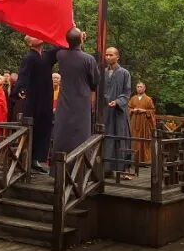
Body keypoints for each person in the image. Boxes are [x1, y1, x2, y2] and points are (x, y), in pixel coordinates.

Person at [50, 28, 98, 175]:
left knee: (62, 131)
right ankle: (80, 170)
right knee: (81, 133)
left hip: (65, 99)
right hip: (82, 100)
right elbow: (95, 81)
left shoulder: (61, 55)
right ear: (82, 40)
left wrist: (75, 38)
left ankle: (58, 169)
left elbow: (66, 47)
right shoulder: (88, 59)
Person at [15, 36, 57, 173]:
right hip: (33, 98)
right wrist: (21, 88)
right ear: (29, 43)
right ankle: (27, 158)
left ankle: (37, 159)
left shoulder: (47, 55)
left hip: (46, 97)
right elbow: (23, 74)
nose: (38, 37)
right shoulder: (29, 57)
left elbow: (61, 47)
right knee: (33, 126)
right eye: (33, 36)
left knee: (44, 126)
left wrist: (73, 33)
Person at [102, 47, 133, 176]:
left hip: (119, 112)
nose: (108, 57)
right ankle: (105, 169)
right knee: (106, 138)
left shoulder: (124, 73)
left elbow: (127, 92)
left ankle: (120, 169)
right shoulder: (102, 72)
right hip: (105, 112)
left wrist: (118, 102)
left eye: (111, 55)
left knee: (119, 137)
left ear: (117, 57)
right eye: (106, 55)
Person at [128, 82, 157, 166]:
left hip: (144, 122)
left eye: (140, 87)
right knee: (134, 139)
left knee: (143, 140)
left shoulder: (148, 99)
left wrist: (144, 111)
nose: (139, 88)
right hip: (134, 121)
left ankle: (144, 161)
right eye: (137, 87)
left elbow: (152, 111)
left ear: (144, 88)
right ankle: (133, 160)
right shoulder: (133, 98)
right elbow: (128, 107)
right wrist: (133, 110)